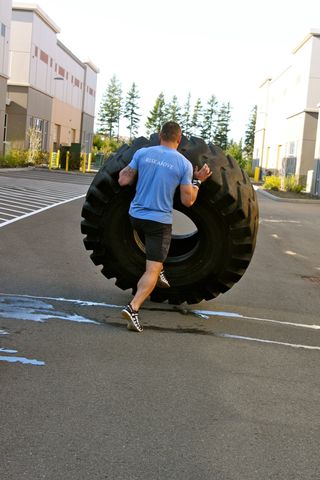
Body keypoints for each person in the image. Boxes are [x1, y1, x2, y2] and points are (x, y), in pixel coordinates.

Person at [118, 121, 212, 332]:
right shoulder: (183, 164)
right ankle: (133, 308)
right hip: (158, 222)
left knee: (156, 252)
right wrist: (197, 181)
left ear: (160, 135)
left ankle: (158, 270)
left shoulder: (143, 153)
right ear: (179, 140)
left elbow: (123, 180)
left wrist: (130, 168)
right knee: (153, 267)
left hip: (135, 216)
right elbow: (188, 201)